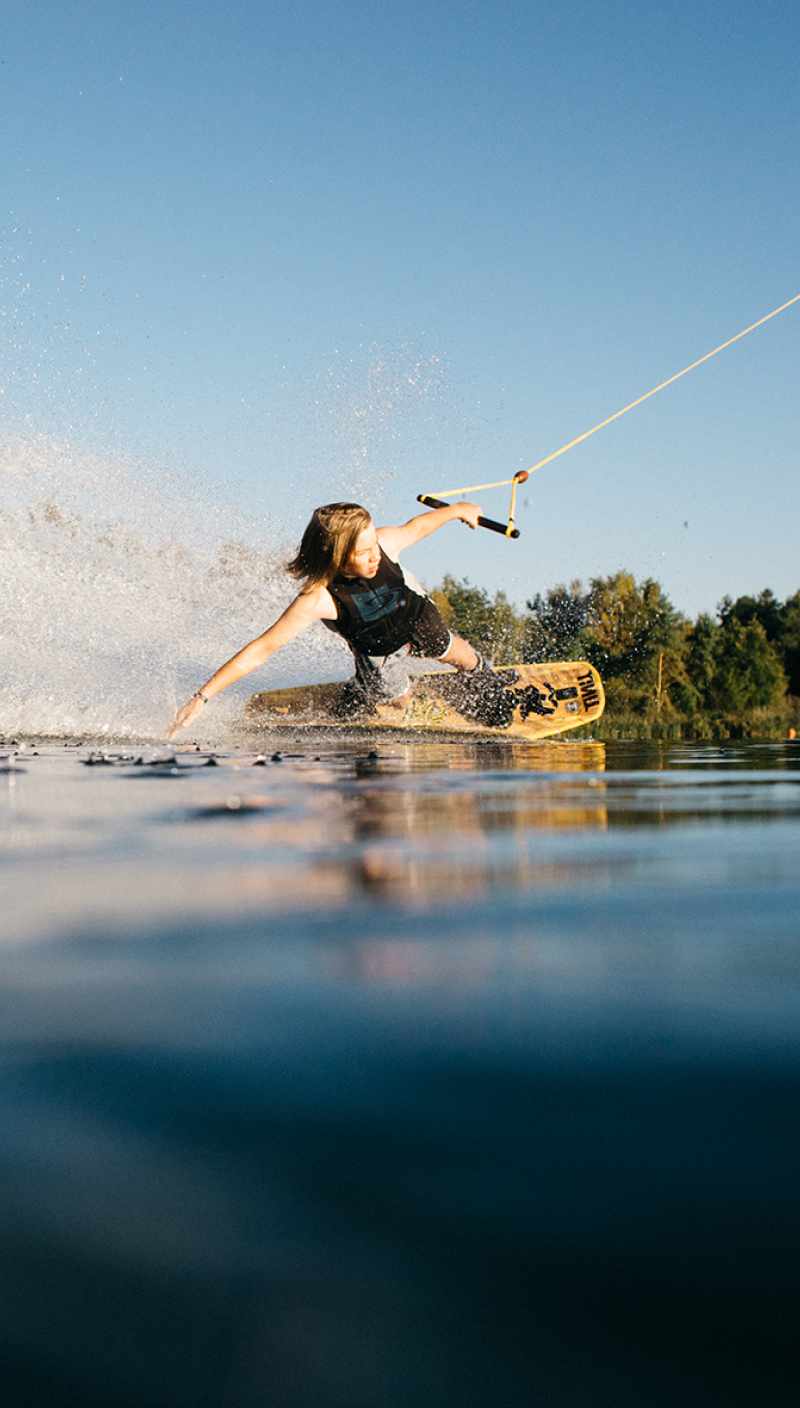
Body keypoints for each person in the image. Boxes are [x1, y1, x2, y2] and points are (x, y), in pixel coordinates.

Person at [167, 499, 495, 737]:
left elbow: (418, 526)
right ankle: (368, 691)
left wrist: (458, 511)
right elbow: (262, 648)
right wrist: (201, 697)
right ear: (336, 555)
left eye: (373, 546)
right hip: (376, 648)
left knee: (458, 652)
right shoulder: (318, 598)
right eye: (363, 552)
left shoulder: (383, 544)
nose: (375, 555)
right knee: (398, 700)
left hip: (416, 616)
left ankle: (483, 676)